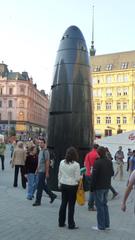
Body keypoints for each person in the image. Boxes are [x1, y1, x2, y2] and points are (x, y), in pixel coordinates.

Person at [90, 146, 114, 231]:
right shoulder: (109, 162)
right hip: (106, 186)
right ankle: (106, 224)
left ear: (98, 153)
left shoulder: (97, 162)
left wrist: (91, 188)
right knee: (104, 205)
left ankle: (101, 226)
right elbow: (112, 173)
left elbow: (94, 177)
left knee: (99, 206)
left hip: (98, 187)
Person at [58, 146, 80, 229]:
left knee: (63, 203)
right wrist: (80, 177)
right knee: (71, 206)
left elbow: (59, 174)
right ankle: (71, 224)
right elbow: (77, 178)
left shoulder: (61, 162)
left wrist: (59, 183)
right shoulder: (76, 165)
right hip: (72, 186)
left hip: (63, 184)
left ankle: (61, 222)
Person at [33, 138, 57, 206]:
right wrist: (36, 170)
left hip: (43, 171)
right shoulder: (40, 151)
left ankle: (38, 201)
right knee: (43, 185)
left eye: (41, 142)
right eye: (39, 142)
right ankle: (52, 195)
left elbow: (47, 162)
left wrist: (47, 172)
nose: (40, 144)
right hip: (40, 170)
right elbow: (39, 162)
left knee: (39, 187)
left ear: (44, 143)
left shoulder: (46, 151)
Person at [84, 143, 99, 211]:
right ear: (97, 148)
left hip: (87, 174)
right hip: (94, 174)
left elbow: (85, 164)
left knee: (91, 190)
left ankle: (92, 204)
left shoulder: (88, 154)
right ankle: (91, 205)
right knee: (94, 191)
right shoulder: (97, 155)